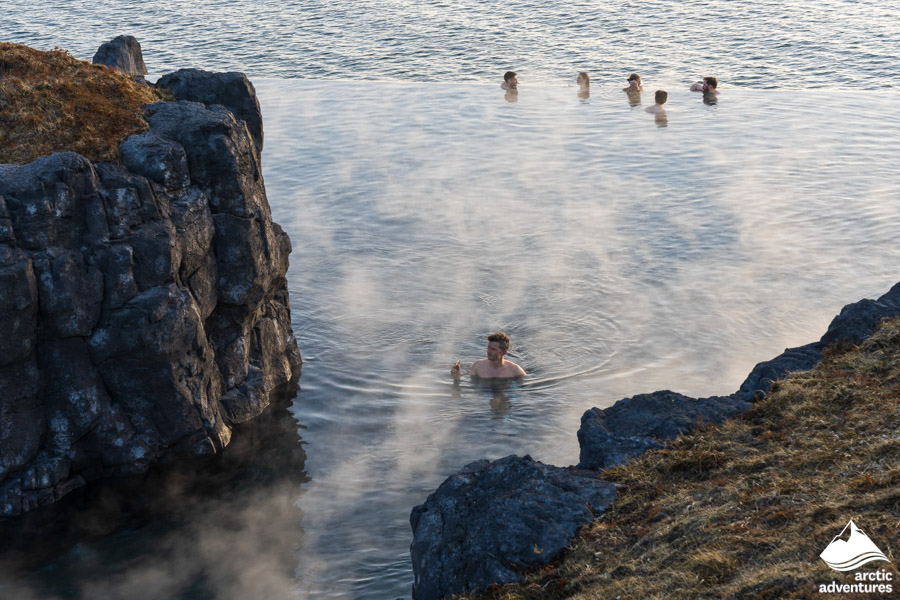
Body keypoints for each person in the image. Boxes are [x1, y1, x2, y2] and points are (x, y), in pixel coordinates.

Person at [451, 331, 526, 380]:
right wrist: (457, 378)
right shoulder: (478, 366)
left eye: (493, 349)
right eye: (488, 348)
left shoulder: (515, 370)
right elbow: (470, 389)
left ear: (503, 352)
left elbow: (526, 391)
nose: (488, 351)